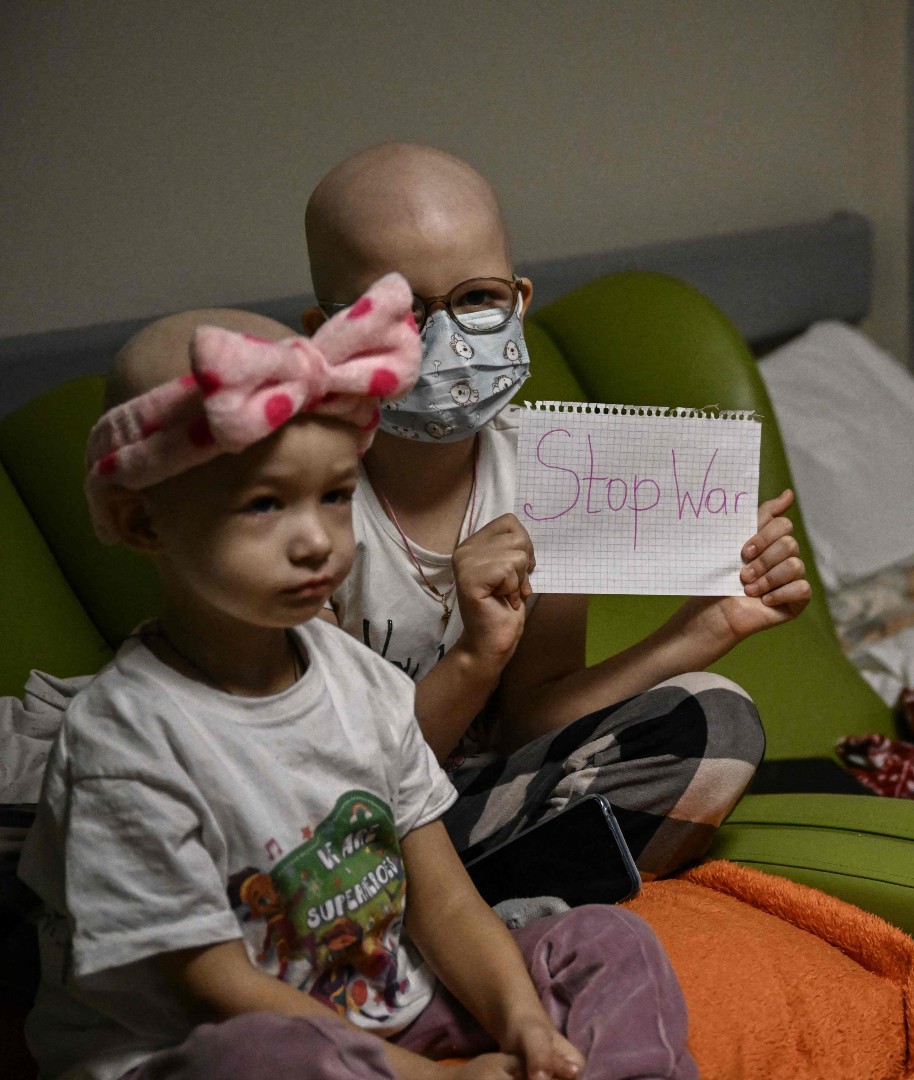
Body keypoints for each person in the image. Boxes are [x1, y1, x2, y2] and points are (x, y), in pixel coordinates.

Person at [22, 279, 694, 1080]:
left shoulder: (357, 678)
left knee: (608, 941)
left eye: (336, 495)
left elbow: (445, 900)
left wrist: (522, 1024)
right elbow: (215, 987)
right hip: (216, 1045)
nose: (316, 540)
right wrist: (442, 1079)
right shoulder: (124, 744)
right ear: (142, 521)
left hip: (384, 1004)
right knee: (267, 1057)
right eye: (264, 504)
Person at [302, 142, 812, 872]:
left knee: (715, 719)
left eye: (476, 299)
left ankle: (464, 898)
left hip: (476, 810)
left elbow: (530, 723)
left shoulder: (554, 472)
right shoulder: (297, 506)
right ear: (326, 332)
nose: (445, 339)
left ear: (519, 300)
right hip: (344, 826)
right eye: (399, 311)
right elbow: (343, 777)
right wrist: (476, 656)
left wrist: (706, 627)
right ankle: (455, 905)